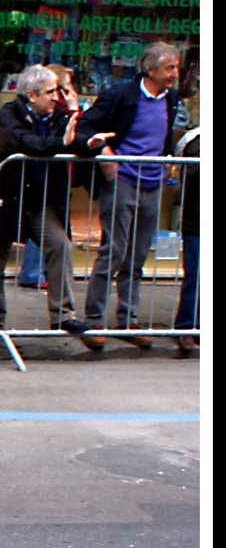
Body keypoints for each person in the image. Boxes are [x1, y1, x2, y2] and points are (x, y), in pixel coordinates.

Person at [74, 42, 182, 350]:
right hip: (122, 181)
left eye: (176, 67)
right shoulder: (120, 95)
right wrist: (106, 154)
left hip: (153, 181)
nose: (175, 74)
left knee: (137, 255)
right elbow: (86, 125)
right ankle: (94, 319)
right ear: (151, 70)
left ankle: (128, 318)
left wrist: (167, 159)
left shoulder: (171, 98)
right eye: (169, 68)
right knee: (114, 250)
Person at [0, 64, 95, 337]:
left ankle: (63, 315)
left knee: (59, 244)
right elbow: (29, 143)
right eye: (50, 92)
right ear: (31, 95)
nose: (55, 98)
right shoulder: (8, 114)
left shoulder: (56, 114)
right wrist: (63, 143)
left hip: (39, 201)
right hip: (8, 200)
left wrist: (89, 144)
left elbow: (73, 138)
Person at [172, 127, 199, 356]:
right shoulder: (194, 140)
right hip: (197, 219)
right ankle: (186, 326)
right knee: (195, 273)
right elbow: (186, 178)